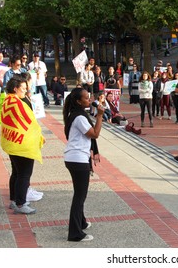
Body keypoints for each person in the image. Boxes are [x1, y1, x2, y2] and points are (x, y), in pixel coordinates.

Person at [63, 87, 105, 242]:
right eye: (86, 98)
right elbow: (94, 134)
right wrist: (100, 116)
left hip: (75, 158)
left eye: (89, 97)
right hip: (77, 159)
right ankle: (75, 233)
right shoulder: (79, 117)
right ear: (78, 101)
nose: (90, 100)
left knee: (80, 194)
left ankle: (81, 221)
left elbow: (89, 137)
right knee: (80, 196)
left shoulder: (76, 114)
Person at [1, 75, 45, 214]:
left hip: (12, 143)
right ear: (15, 89)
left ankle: (14, 200)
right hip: (22, 145)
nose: (26, 91)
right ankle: (21, 203)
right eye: (23, 88)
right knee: (24, 174)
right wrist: (39, 136)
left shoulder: (7, 100)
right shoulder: (18, 104)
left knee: (16, 172)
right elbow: (30, 123)